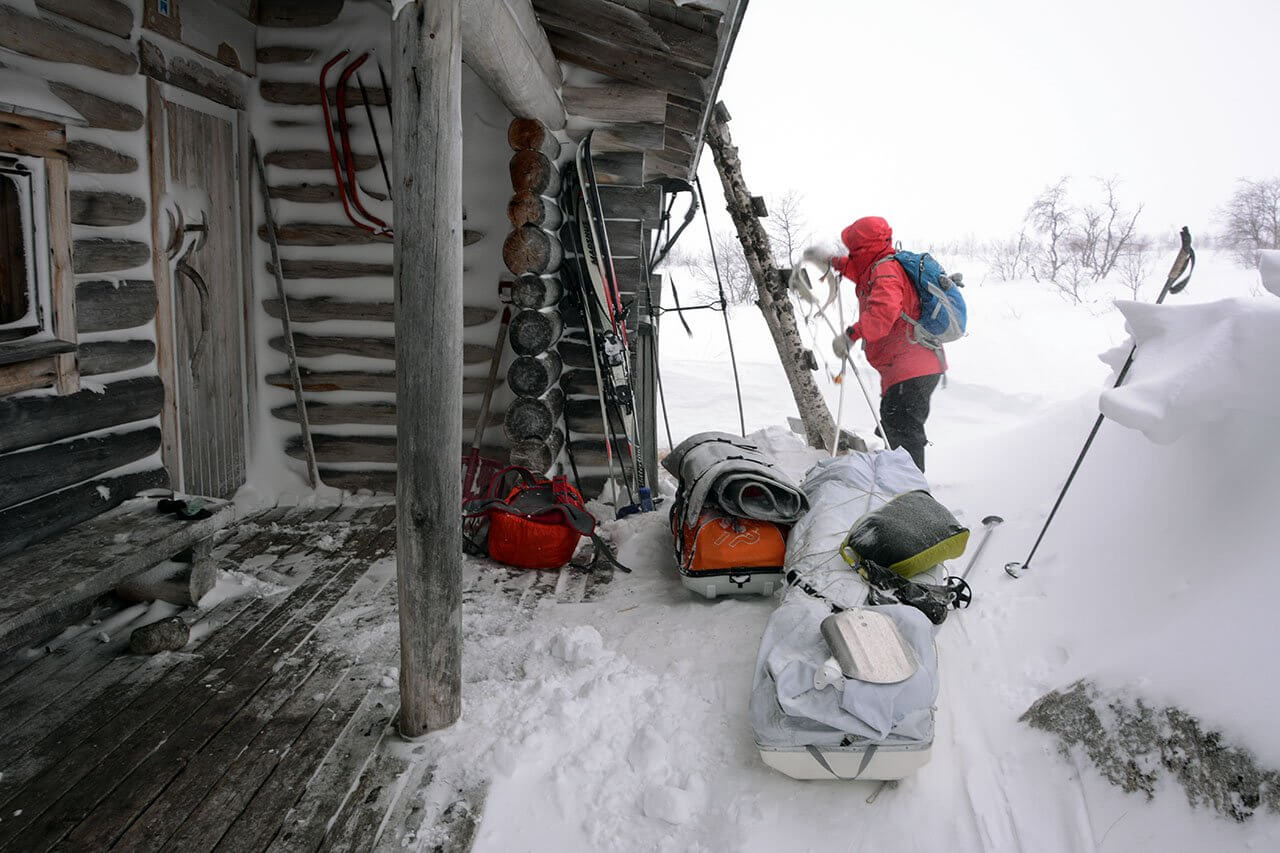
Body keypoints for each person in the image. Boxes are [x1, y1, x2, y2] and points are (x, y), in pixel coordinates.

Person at [822, 216, 945, 472]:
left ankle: (913, 494)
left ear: (864, 248)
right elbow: (857, 270)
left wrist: (851, 335)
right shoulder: (878, 265)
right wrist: (831, 261)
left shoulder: (885, 271)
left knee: (903, 432)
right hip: (906, 367)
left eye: (854, 250)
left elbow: (883, 315)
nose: (851, 254)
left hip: (913, 367)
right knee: (893, 425)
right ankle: (900, 481)